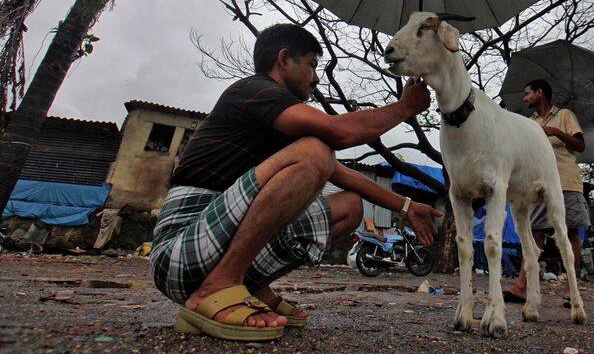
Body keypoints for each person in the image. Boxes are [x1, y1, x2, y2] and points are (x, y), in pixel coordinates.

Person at [149, 24, 442, 342]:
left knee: (348, 205)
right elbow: (338, 134)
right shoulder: (253, 90)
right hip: (179, 253)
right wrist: (404, 108)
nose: (316, 78)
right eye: (313, 65)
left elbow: (343, 174)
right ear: (284, 58)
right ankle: (217, 286)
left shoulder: (281, 129)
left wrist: (407, 206)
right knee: (317, 151)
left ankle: (252, 289)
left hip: (212, 244)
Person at [502, 79, 588, 307]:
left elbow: (580, 146)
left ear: (540, 93)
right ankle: (523, 286)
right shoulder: (529, 123)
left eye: (528, 93)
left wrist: (556, 132)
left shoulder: (565, 115)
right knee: (534, 233)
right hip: (538, 184)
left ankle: (572, 288)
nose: (524, 98)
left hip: (566, 182)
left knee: (570, 233)